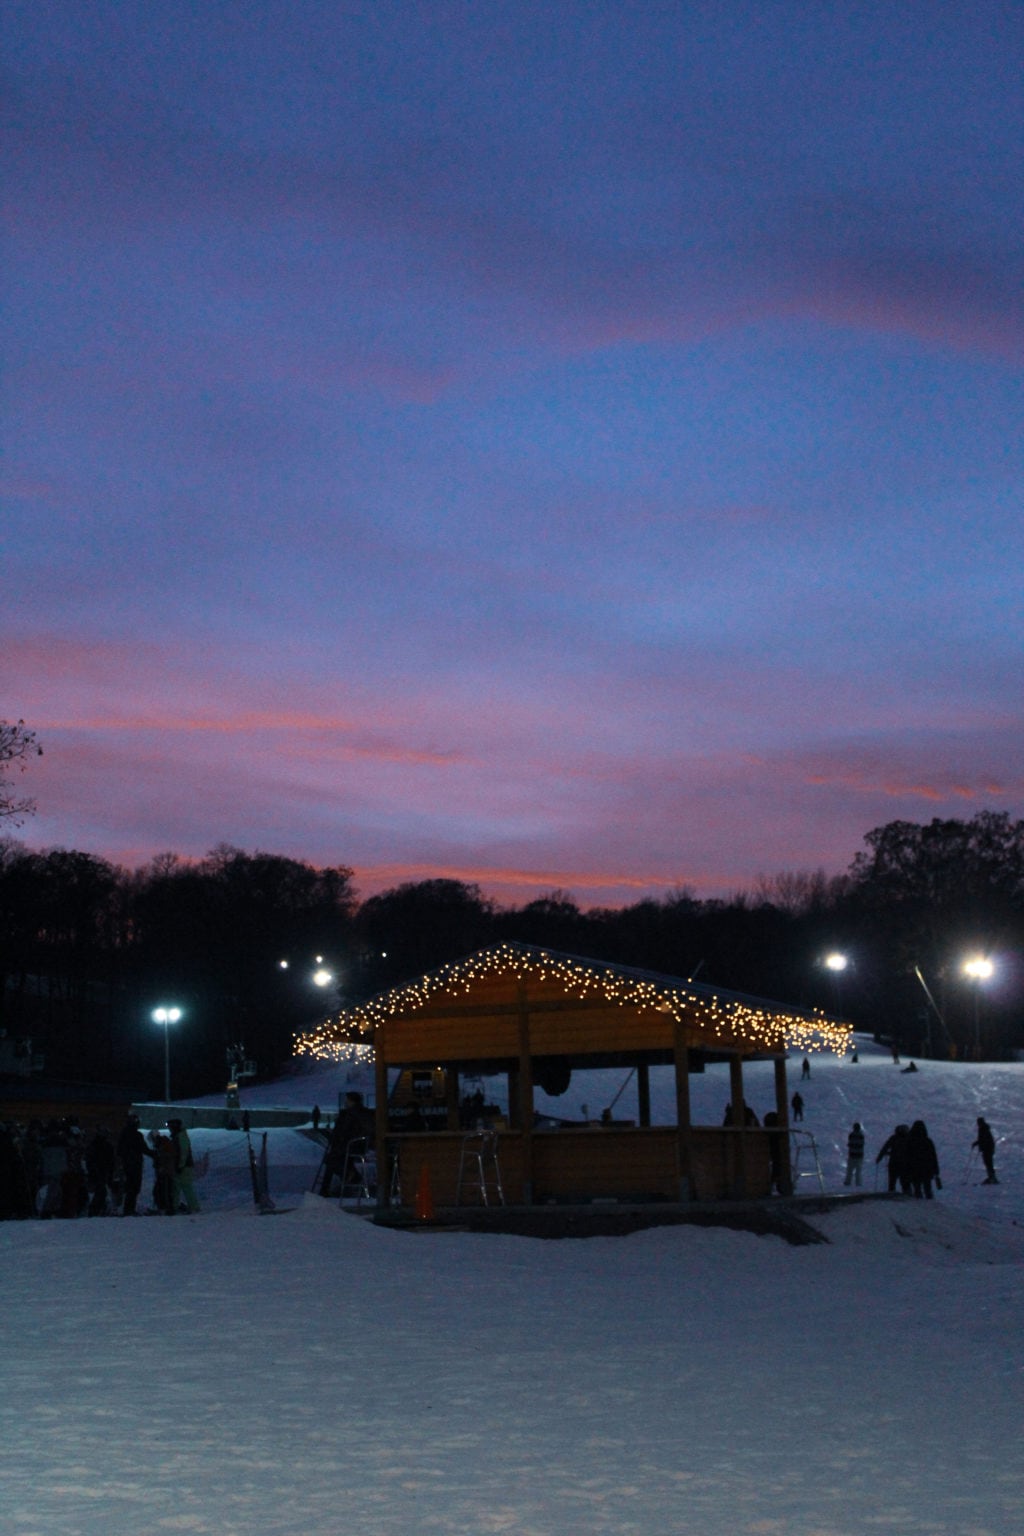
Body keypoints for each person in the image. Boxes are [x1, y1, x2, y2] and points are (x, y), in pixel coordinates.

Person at [320, 1092, 375, 1197]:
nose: (345, 1102)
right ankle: (349, 1177)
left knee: (331, 1159)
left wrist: (335, 1137)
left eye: (347, 1100)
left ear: (351, 1101)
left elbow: (343, 1131)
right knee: (339, 1160)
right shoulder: (365, 1113)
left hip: (349, 1145)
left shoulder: (349, 1114)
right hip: (358, 1145)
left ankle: (350, 1177)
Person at [117, 1113, 152, 1216]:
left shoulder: (123, 1134)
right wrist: (155, 1154)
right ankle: (129, 1209)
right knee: (134, 1187)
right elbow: (144, 1148)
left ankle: (128, 1209)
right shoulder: (136, 1135)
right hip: (135, 1164)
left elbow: (119, 1150)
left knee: (130, 1188)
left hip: (127, 1165)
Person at [168, 1118, 200, 1213]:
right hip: (180, 1166)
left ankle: (194, 1207)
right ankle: (175, 1206)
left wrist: (180, 1165)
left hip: (184, 1167)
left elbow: (183, 1152)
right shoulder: (177, 1136)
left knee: (186, 1187)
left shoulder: (181, 1136)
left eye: (170, 1127)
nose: (169, 1129)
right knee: (176, 1187)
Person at [904, 1120, 940, 1199]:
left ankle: (919, 1206)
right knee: (928, 1189)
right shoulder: (928, 1141)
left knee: (917, 1189)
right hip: (926, 1169)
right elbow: (933, 1156)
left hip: (914, 1169)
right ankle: (930, 1205)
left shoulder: (910, 1141)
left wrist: (906, 1169)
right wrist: (936, 1170)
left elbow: (906, 1156)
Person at [875, 1124, 910, 1194]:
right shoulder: (908, 1139)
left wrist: (879, 1157)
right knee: (904, 1182)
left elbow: (885, 1148)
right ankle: (907, 1195)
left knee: (892, 1181)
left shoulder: (893, 1138)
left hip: (893, 1163)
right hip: (904, 1164)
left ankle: (891, 1194)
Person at [973, 1117, 998, 1184]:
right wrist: (977, 1143)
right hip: (988, 1149)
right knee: (988, 1163)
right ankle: (991, 1177)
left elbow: (984, 1140)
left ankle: (992, 1178)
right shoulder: (983, 1129)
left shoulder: (983, 1129)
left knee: (988, 1163)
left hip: (987, 1149)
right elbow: (982, 1139)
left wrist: (980, 1145)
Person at [843, 1122, 865, 1187]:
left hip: (852, 1154)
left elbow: (850, 1144)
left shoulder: (851, 1135)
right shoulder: (861, 1135)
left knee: (849, 1169)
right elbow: (861, 1144)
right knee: (858, 1170)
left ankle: (848, 1182)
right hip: (859, 1155)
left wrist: (851, 1145)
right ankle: (858, 1183)